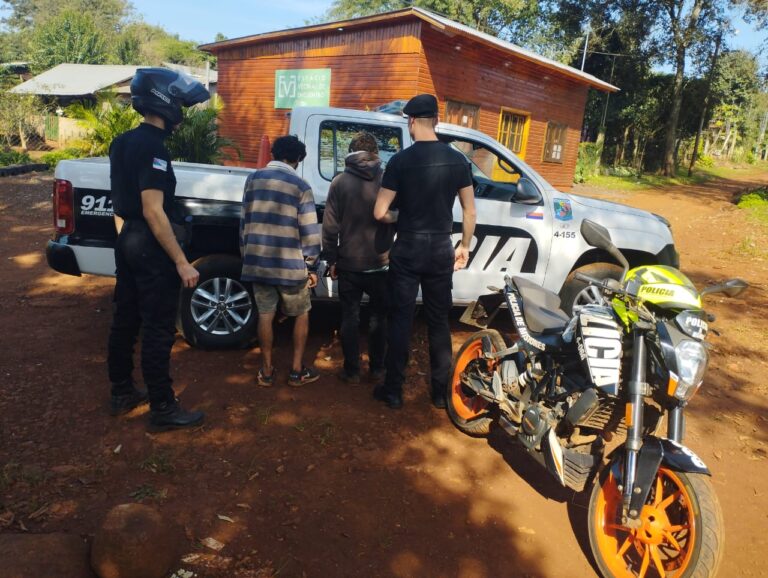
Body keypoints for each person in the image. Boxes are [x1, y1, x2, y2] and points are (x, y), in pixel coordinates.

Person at [107, 68, 209, 431]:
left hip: (128, 239)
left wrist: (127, 243)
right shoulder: (155, 149)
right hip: (150, 243)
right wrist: (181, 261)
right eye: (181, 102)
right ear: (166, 102)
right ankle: (163, 407)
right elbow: (153, 210)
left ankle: (121, 391)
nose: (183, 108)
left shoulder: (121, 142)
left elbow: (123, 205)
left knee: (125, 319)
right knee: (157, 327)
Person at [373, 94, 477, 410]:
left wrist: (401, 217)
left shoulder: (400, 161)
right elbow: (469, 211)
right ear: (436, 120)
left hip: (407, 247)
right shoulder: (458, 160)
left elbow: (379, 212)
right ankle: (440, 394)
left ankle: (393, 391)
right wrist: (464, 246)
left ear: (413, 121)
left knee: (401, 319)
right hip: (440, 249)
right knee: (438, 322)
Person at [240, 135, 322, 387]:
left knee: (265, 314)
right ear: (297, 159)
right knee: (301, 314)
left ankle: (266, 371)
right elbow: (309, 231)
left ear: (274, 154)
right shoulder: (301, 186)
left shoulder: (252, 179)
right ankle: (297, 371)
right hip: (290, 268)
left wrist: (247, 255)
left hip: (257, 263)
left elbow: (244, 222)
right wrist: (311, 265)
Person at [321, 132, 392, 384]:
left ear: (351, 153)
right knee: (379, 318)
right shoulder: (387, 181)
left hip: (349, 263)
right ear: (375, 153)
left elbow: (330, 226)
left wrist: (330, 259)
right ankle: (378, 369)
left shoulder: (339, 182)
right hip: (381, 263)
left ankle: (352, 371)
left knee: (349, 316)